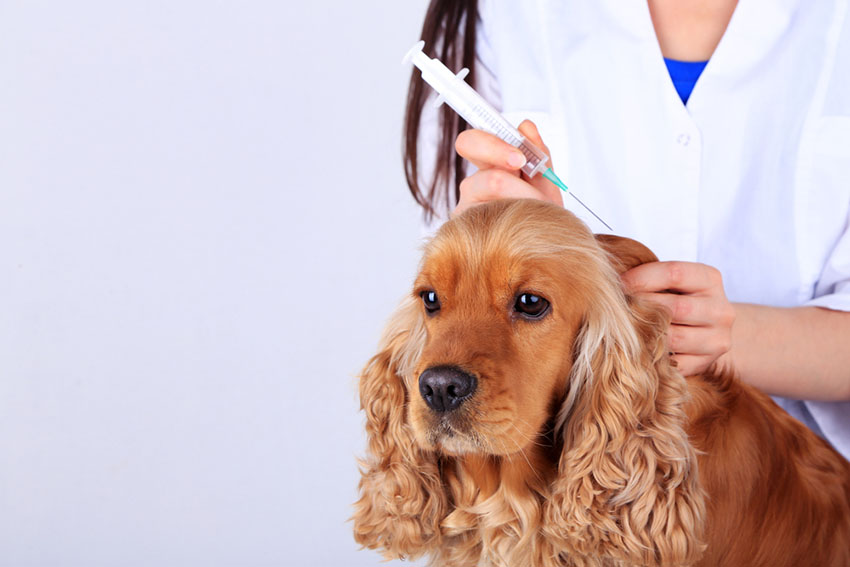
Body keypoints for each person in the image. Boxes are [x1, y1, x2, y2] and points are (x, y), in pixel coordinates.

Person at [403, 0, 850, 459]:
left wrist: (718, 339)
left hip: (810, 489)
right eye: (530, 303)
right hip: (566, 490)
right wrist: (498, 244)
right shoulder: (498, 15)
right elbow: (444, 304)